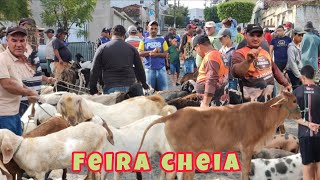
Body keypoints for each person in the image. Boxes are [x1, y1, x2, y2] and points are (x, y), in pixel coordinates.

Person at [231, 24, 291, 103]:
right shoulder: (239, 53)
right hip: (251, 105)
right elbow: (236, 72)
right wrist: (248, 61)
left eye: (258, 36)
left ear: (262, 37)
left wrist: (286, 84)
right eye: (252, 35)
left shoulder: (264, 52)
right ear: (245, 35)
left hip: (268, 102)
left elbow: (274, 69)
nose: (255, 38)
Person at [0, 26, 38, 135]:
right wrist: (29, 92)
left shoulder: (16, 59)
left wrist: (31, 92)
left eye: (22, 40)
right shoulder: (2, 59)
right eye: (14, 40)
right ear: (7, 41)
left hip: (14, 114)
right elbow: (7, 84)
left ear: (26, 42)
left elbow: (18, 83)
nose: (18, 44)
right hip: (3, 116)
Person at [90, 25, 148, 95]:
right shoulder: (132, 49)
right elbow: (140, 68)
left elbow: (94, 69)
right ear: (124, 36)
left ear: (111, 34)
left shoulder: (102, 48)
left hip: (110, 88)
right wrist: (144, 84)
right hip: (130, 89)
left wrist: (93, 88)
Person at [18, 18, 56, 116]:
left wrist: (47, 79)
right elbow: (14, 80)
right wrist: (29, 93)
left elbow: (34, 73)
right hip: (22, 102)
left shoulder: (34, 54)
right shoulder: (20, 54)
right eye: (37, 32)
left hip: (33, 99)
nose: (39, 35)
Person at [293, 65, 320, 180]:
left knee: (307, 167)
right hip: (319, 134)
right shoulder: (319, 91)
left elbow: (293, 116)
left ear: (302, 77)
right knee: (319, 164)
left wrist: (308, 124)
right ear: (313, 76)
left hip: (304, 135)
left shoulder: (297, 92)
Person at [193, 35, 229, 107]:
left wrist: (205, 103)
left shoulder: (211, 57)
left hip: (212, 100)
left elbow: (211, 79)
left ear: (198, 46)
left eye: (195, 49)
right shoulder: (219, 54)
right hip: (219, 95)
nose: (196, 52)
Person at [139, 21, 169, 91]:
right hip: (149, 70)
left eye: (155, 29)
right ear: (147, 29)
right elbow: (139, 53)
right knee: (149, 92)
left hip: (161, 69)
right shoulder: (143, 40)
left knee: (163, 92)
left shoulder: (162, 40)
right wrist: (151, 52)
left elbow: (166, 54)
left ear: (157, 30)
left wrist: (156, 54)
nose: (153, 30)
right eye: (151, 28)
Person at [217, 28, 242, 104]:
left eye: (221, 39)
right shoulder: (221, 50)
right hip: (223, 79)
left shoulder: (236, 49)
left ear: (227, 37)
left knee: (232, 98)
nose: (220, 41)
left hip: (233, 79)